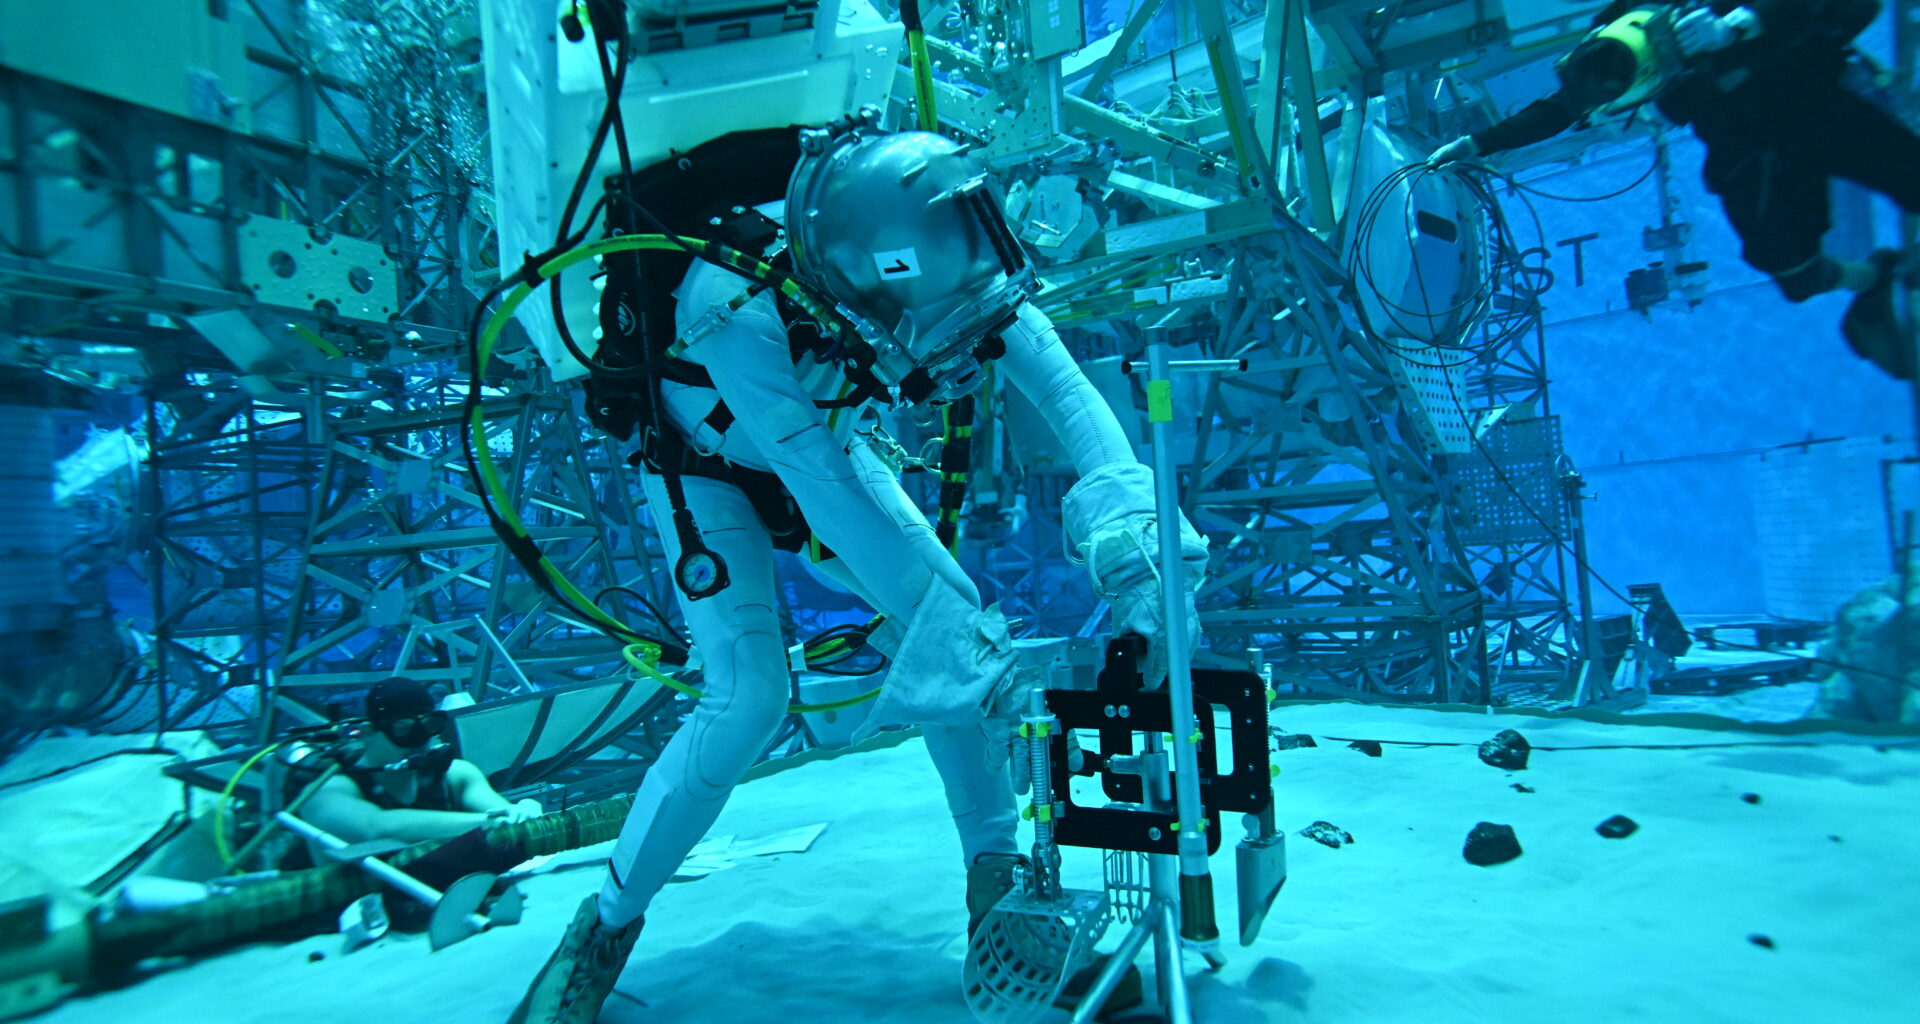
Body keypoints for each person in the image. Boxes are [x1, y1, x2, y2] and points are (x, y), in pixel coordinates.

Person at [509, 122, 1205, 1023]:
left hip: (823, 440)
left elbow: (1069, 395)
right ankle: (599, 932)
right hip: (706, 467)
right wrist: (977, 667)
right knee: (748, 698)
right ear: (858, 295)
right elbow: (820, 489)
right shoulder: (732, 298)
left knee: (955, 624)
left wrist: (1141, 553)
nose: (951, 349)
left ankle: (1000, 896)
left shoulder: (942, 243)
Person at [1428, 0, 1919, 379]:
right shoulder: (1610, 42)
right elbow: (1559, 109)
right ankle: (1872, 278)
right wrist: (1476, 143)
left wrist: (1740, 23)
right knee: (1792, 272)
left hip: (1818, 99)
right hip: (1750, 149)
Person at [294, 676, 544, 846]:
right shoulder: (329, 789)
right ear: (370, 733)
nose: (418, 741)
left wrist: (521, 811)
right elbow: (375, 827)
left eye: (428, 726)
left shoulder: (455, 776)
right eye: (403, 729)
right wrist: (487, 823)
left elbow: (500, 813)